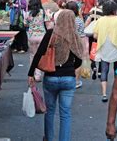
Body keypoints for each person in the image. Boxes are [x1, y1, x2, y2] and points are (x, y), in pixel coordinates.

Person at [28, 10, 84, 141]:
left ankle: (49, 138)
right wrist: (70, 68)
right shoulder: (74, 37)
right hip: (68, 79)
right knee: (65, 114)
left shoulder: (50, 34)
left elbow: (39, 54)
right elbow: (79, 60)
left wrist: (31, 73)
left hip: (51, 77)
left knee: (50, 111)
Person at [93, 1, 117, 102]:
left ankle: (104, 94)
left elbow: (95, 35)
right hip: (116, 47)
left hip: (104, 46)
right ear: (114, 10)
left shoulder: (100, 20)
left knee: (104, 70)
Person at [26, 0, 48, 81]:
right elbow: (47, 23)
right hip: (42, 36)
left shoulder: (28, 13)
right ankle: (38, 75)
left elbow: (25, 24)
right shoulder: (43, 12)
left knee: (32, 56)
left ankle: (32, 74)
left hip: (31, 36)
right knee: (40, 56)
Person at [66, 1, 86, 89]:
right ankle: (76, 81)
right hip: (77, 43)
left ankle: (67, 79)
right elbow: (82, 34)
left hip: (66, 42)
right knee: (78, 61)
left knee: (67, 61)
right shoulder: (79, 21)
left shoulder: (64, 20)